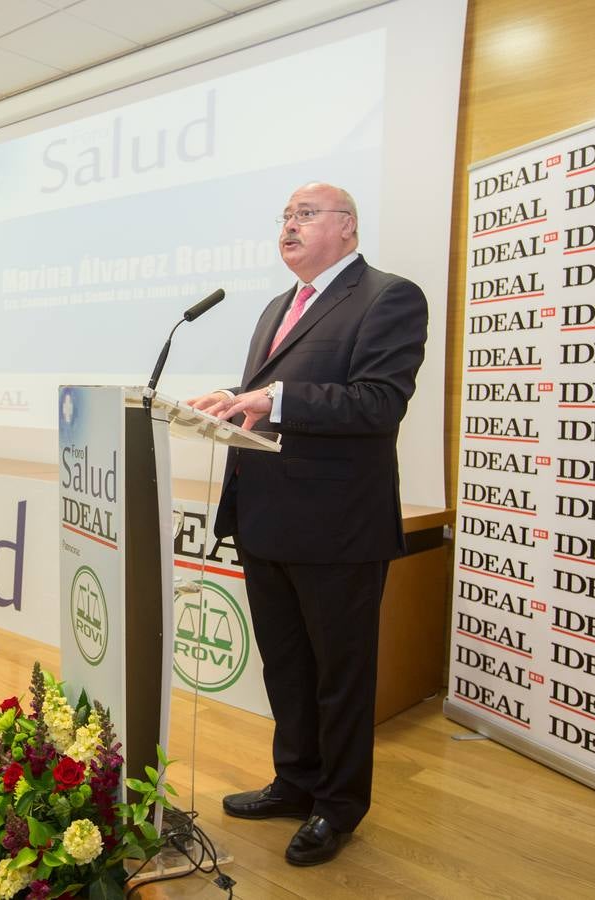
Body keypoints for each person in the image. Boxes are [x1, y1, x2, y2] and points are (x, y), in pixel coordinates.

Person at [186, 182, 427, 866]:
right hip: (266, 517)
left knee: (339, 676)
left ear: (347, 228)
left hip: (338, 527)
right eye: (284, 216)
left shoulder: (389, 296)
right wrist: (235, 405)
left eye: (305, 214)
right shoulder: (276, 307)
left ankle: (338, 805)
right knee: (287, 667)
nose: (288, 226)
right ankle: (295, 783)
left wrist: (271, 397)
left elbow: (379, 403)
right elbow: (273, 404)